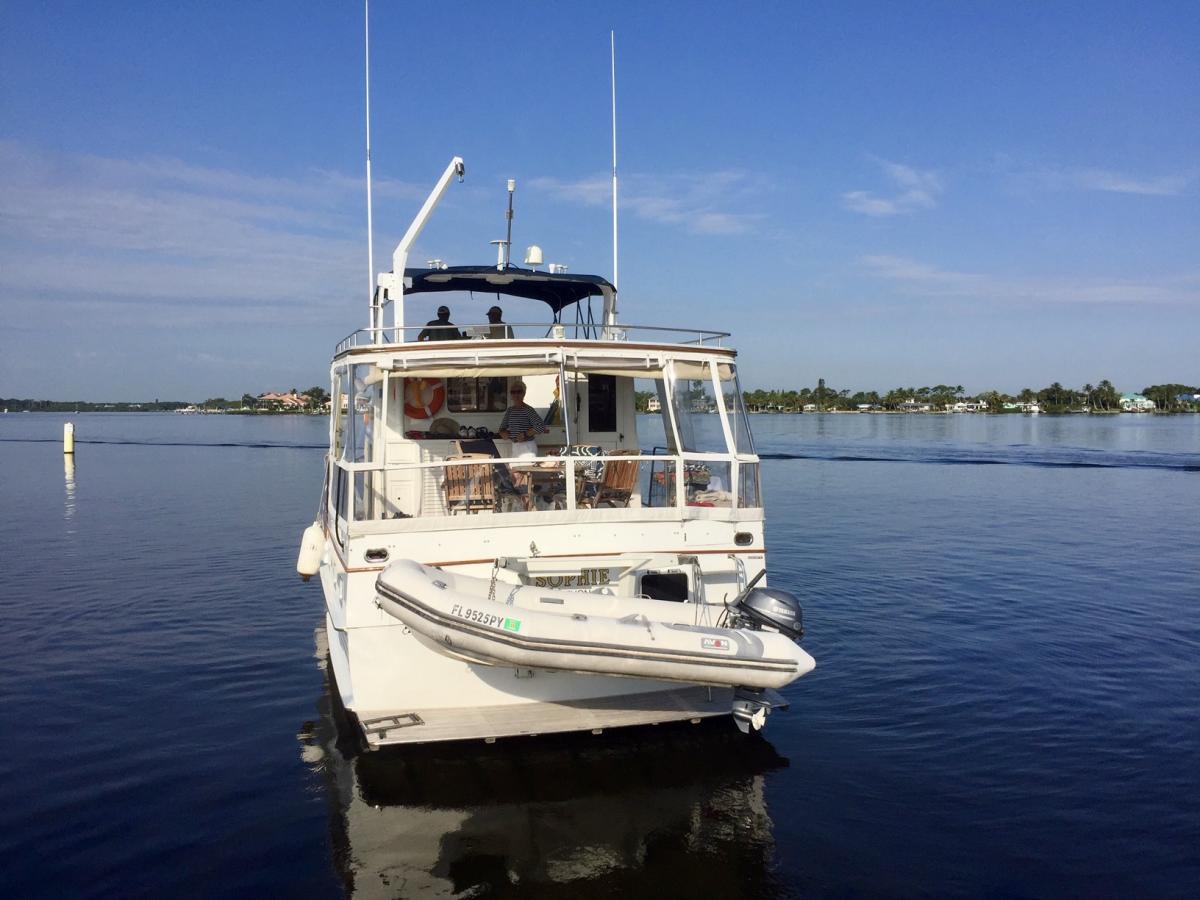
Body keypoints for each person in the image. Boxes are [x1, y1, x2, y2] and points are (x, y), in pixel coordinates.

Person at [498, 380, 547, 459]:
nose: (516, 394)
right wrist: (503, 433)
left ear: (524, 393)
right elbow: (501, 428)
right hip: (515, 446)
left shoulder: (528, 410)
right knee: (515, 470)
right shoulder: (510, 410)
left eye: (519, 392)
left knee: (526, 470)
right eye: (513, 392)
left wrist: (525, 434)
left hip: (527, 447)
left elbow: (541, 426)